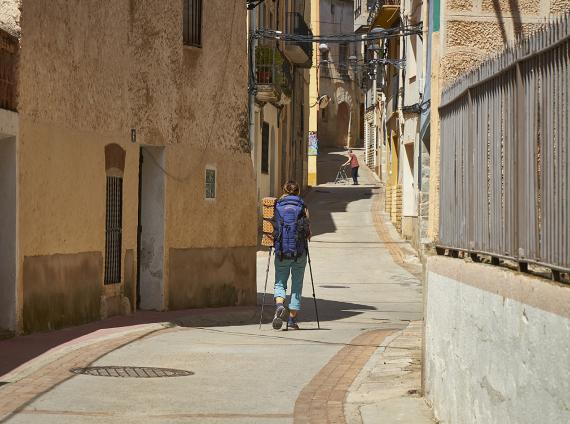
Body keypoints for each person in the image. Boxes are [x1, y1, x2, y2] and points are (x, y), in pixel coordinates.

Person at [272, 181, 311, 331]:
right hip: (299, 253)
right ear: (298, 191)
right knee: (296, 286)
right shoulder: (303, 206)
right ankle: (291, 320)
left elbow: (272, 228)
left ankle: (280, 306)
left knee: (280, 283)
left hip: (281, 251)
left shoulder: (278, 205)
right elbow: (308, 232)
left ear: (284, 190)